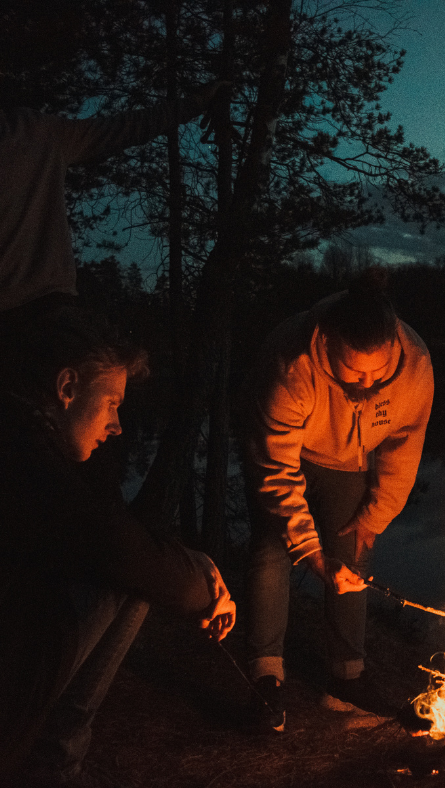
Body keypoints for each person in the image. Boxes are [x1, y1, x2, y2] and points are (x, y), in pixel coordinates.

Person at [0, 309, 236, 785]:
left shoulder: (28, 432)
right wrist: (202, 587)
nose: (118, 426)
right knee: (131, 576)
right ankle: (52, 768)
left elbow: (110, 531)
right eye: (111, 403)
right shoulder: (23, 457)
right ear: (68, 387)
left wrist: (188, 565)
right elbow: (115, 549)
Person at [240, 267, 433, 729]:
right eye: (353, 370)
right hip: (285, 450)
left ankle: (346, 679)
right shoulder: (292, 363)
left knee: (353, 553)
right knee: (272, 549)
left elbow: (404, 447)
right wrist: (311, 553)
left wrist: (375, 516)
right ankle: (266, 677)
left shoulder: (415, 366)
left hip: (348, 460)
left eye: (376, 371)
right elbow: (277, 473)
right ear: (328, 343)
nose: (365, 382)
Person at [0, 77, 226, 363]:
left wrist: (193, 104)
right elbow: (124, 128)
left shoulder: (34, 132)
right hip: (51, 311)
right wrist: (193, 104)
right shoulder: (34, 131)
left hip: (50, 315)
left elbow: (125, 127)